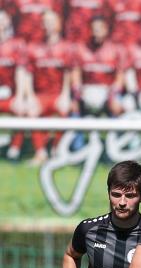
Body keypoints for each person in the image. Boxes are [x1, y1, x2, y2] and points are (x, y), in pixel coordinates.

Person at [23, 8, 77, 165]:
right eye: (46, 22)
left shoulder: (66, 47)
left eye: (52, 22)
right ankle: (40, 153)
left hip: (58, 94)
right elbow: (28, 73)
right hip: (40, 95)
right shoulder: (34, 47)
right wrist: (30, 96)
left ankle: (56, 151)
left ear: (58, 24)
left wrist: (66, 95)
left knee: (64, 109)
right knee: (31, 110)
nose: (49, 25)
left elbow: (68, 72)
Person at [76, 15, 126, 118]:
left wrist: (112, 94)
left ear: (105, 30)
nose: (96, 32)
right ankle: (78, 133)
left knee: (118, 105)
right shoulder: (82, 48)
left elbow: (120, 77)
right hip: (88, 89)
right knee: (74, 105)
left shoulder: (115, 50)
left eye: (99, 29)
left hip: (108, 90)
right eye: (94, 29)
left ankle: (113, 132)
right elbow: (75, 74)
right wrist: (78, 92)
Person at [0, 9, 30, 159]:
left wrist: (20, 96)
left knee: (21, 109)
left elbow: (21, 71)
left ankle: (14, 149)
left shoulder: (16, 44)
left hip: (9, 94)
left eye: (3, 20)